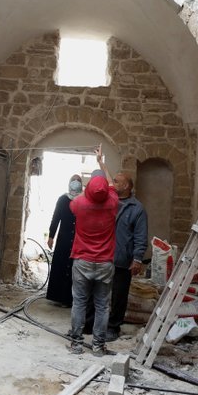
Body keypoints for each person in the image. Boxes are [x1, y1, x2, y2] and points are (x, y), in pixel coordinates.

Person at [67, 146, 119, 356]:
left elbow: (89, 191)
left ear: (88, 187)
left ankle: (77, 344)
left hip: (82, 260)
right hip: (105, 262)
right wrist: (101, 163)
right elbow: (111, 184)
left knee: (79, 302)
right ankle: (98, 346)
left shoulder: (78, 204)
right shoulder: (113, 203)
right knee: (102, 306)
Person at [106, 172, 148, 342]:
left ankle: (113, 327)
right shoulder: (109, 201)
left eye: (116, 182)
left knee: (119, 295)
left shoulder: (137, 209)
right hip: (103, 256)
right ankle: (92, 323)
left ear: (125, 186)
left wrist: (137, 259)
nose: (112, 183)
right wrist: (101, 162)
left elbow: (140, 236)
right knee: (98, 292)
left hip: (122, 259)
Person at [46, 174, 82, 307]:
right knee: (61, 265)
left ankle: (69, 299)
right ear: (69, 182)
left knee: (73, 269)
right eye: (74, 180)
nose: (76, 182)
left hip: (78, 239)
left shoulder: (84, 200)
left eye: (78, 180)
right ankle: (57, 296)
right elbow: (56, 218)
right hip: (64, 238)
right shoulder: (63, 199)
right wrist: (51, 236)